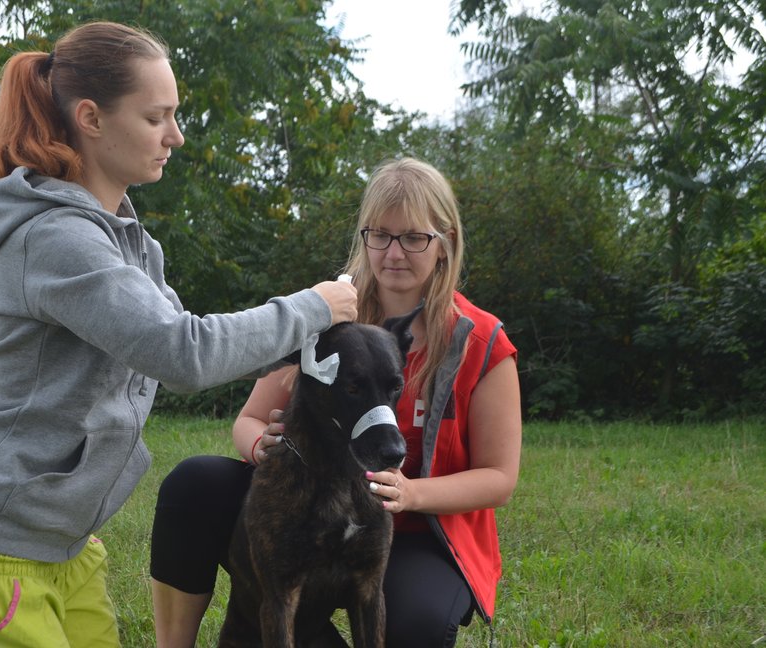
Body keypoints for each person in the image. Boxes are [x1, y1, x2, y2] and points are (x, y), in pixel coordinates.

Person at [0, 21, 357, 648]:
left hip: (65, 552)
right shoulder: (55, 239)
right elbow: (183, 353)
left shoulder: (125, 239)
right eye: (156, 116)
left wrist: (319, 341)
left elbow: (190, 343)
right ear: (92, 118)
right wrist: (312, 308)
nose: (176, 136)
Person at [150, 157, 522, 647]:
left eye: (414, 237)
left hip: (415, 533)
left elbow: (500, 478)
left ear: (445, 241)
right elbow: (250, 420)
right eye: (380, 235)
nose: (394, 252)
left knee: (417, 624)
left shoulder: (480, 341)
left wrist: (411, 494)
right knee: (194, 483)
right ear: (363, 238)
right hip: (306, 509)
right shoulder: (322, 316)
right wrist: (260, 443)